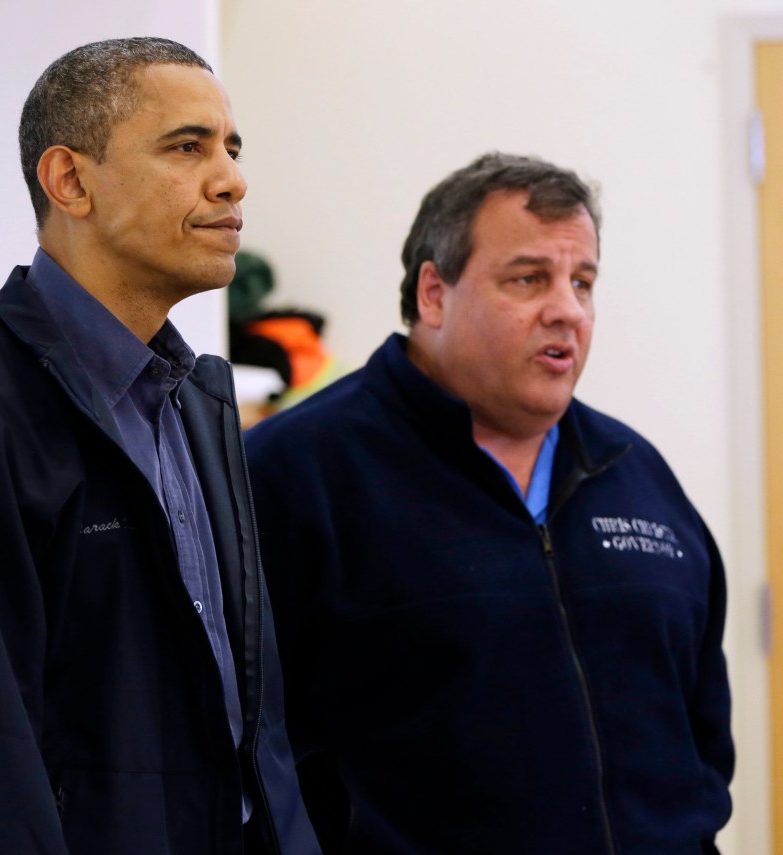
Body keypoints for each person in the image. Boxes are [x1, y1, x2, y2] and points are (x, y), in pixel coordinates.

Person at [0, 37, 319, 855]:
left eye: (230, 149)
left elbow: (245, 725)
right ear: (70, 181)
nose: (231, 178)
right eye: (186, 147)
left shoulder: (195, 401)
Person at [245, 153, 734, 854]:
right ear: (435, 293)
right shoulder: (295, 475)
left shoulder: (636, 474)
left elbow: (702, 740)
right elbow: (240, 758)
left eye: (583, 282)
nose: (566, 307)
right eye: (529, 278)